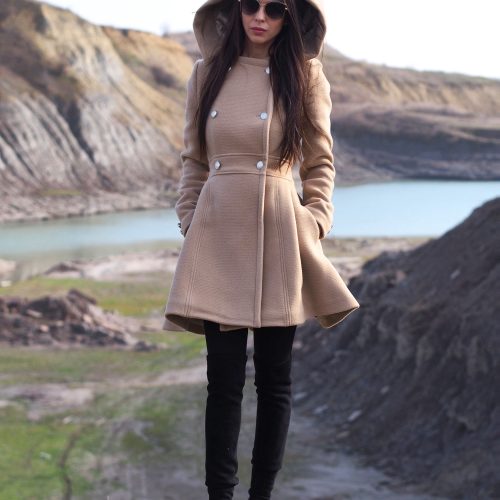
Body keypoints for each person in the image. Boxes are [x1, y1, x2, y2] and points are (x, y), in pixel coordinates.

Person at [163, 0, 361, 498]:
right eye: (251, 4)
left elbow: (320, 162)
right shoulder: (207, 73)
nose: (260, 16)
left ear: (289, 17)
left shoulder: (305, 75)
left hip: (280, 234)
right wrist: (189, 219)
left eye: (274, 9)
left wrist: (316, 220)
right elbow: (194, 159)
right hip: (218, 235)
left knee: (274, 382)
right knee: (223, 382)